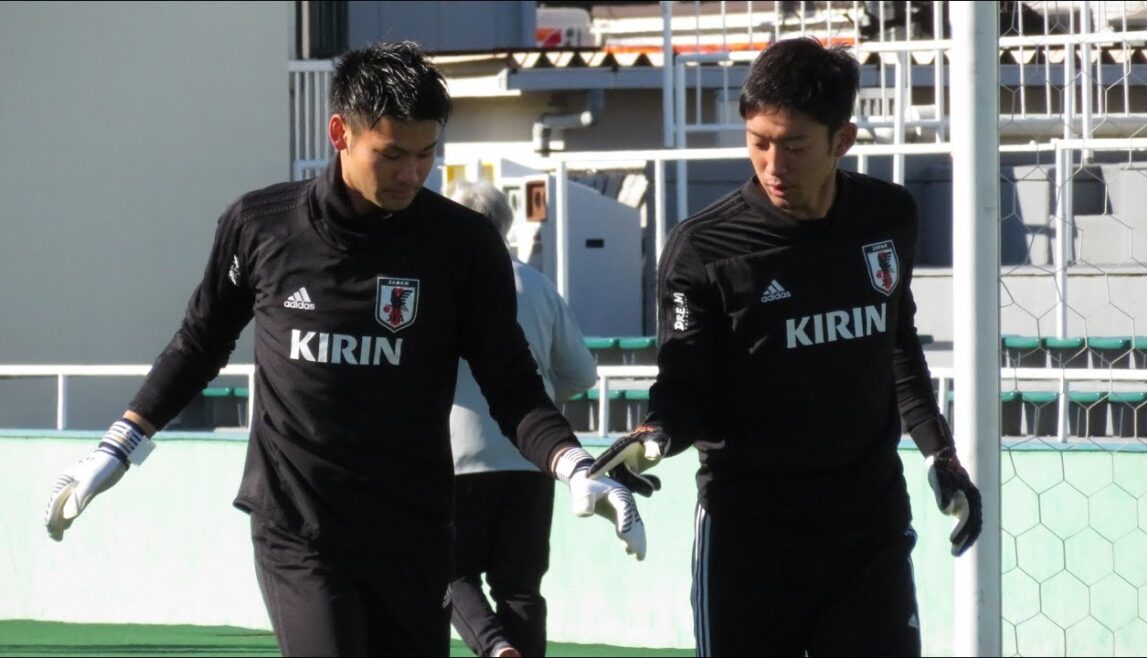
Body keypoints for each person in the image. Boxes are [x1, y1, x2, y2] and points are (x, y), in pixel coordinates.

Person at [42, 41, 645, 658]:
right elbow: (200, 342)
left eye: (426, 154)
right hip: (300, 528)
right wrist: (119, 445)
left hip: (415, 531)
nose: (412, 173)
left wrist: (573, 464)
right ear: (341, 133)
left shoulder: (461, 244)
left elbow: (512, 383)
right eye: (392, 155)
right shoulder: (261, 224)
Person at [590, 37, 982, 656]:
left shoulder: (888, 217)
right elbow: (685, 379)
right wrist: (656, 436)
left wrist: (939, 452)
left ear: (842, 140)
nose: (774, 165)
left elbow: (896, 341)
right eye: (759, 142)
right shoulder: (705, 247)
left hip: (867, 527)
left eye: (795, 145)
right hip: (749, 536)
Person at [446, 181, 598, 658]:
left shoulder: (442, 284)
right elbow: (581, 373)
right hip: (535, 459)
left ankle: (492, 646)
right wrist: (538, 399)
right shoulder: (535, 284)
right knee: (521, 587)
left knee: (448, 572)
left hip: (456, 455)